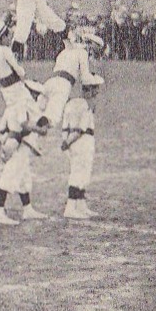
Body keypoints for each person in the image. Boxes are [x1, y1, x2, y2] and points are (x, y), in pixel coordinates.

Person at [0, 80, 48, 225]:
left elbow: (3, 128)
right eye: (33, 93)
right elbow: (20, 126)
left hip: (21, 144)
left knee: (24, 179)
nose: (35, 96)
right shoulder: (21, 105)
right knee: (9, 176)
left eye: (36, 94)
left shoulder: (15, 106)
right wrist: (39, 130)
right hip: (19, 145)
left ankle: (27, 209)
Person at [61, 74, 103, 219]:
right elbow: (80, 129)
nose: (96, 93)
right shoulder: (84, 105)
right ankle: (71, 207)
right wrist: (69, 141)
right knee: (79, 173)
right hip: (82, 141)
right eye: (94, 89)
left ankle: (80, 204)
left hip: (74, 141)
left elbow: (66, 126)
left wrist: (66, 141)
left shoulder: (72, 103)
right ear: (88, 90)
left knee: (82, 173)